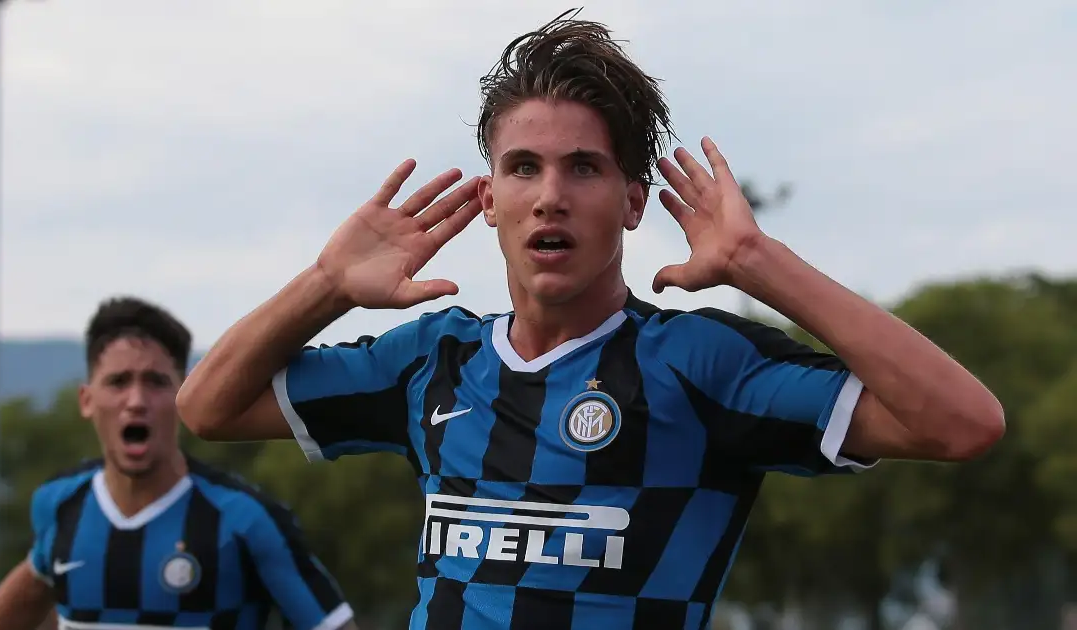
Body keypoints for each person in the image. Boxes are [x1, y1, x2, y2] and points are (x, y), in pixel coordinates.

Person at [175, 9, 1005, 630]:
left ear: (632, 203)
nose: (551, 196)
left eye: (585, 168)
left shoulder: (698, 365)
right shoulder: (432, 361)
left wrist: (760, 264)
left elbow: (963, 423)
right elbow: (207, 407)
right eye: (524, 167)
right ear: (489, 199)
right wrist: (327, 283)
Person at [0, 297, 358, 630]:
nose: (137, 400)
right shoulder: (59, 505)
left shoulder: (246, 520)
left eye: (156, 382)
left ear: (183, 395)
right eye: (119, 381)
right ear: (87, 400)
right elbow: (27, 593)